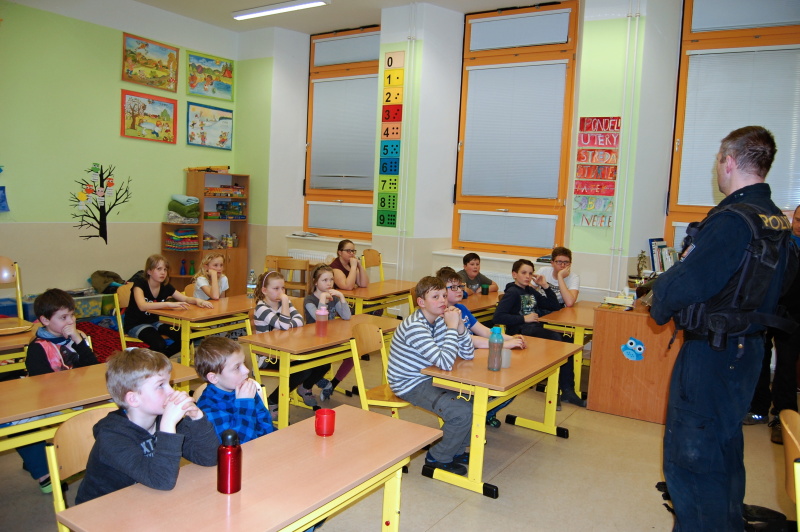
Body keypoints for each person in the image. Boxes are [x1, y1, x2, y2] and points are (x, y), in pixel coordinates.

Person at [649, 126, 796, 531]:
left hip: (712, 353)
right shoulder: (777, 221)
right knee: (726, 444)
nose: (717, 167)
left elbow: (683, 284)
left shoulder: (732, 221)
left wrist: (658, 298)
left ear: (729, 162)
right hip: (749, 349)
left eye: (718, 160)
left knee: (693, 455)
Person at [76, 348, 218, 504]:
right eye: (160, 385)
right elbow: (162, 481)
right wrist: (168, 426)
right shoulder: (112, 437)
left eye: (169, 384)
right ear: (133, 399)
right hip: (102, 509)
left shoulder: (161, 418)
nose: (171, 391)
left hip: (144, 499)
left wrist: (197, 418)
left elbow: (209, 458)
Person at [387, 276, 475, 476]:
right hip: (409, 383)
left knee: (471, 399)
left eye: (444, 295)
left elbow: (467, 354)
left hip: (430, 375)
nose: (442, 301)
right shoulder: (415, 326)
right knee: (460, 411)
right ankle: (438, 457)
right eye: (435, 297)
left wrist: (460, 328)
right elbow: (445, 362)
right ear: (421, 302)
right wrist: (452, 328)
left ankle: (456, 450)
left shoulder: (440, 320)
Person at [13, 289, 99, 493]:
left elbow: (94, 370)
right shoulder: (38, 347)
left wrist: (78, 341)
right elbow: (42, 384)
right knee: (19, 424)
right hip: (51, 401)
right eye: (63, 317)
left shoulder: (78, 338)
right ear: (44, 320)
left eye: (72, 315)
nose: (71, 322)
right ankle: (43, 472)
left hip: (80, 397)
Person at [437, 267, 526, 427]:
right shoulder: (442, 315)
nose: (459, 290)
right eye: (453, 287)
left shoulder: (462, 309)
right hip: (456, 363)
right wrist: (504, 344)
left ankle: (483, 413)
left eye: (460, 286)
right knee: (499, 383)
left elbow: (484, 331)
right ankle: (475, 415)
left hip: (472, 357)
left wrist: (510, 337)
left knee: (512, 383)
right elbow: (472, 340)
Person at [492, 259, 586, 407]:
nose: (527, 276)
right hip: (520, 331)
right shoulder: (512, 292)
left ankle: (567, 390)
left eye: (530, 273)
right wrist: (524, 318)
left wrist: (545, 286)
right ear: (514, 274)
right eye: (524, 273)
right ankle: (555, 391)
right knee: (555, 339)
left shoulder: (530, 291)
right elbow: (498, 317)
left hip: (533, 329)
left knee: (567, 341)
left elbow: (554, 306)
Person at [743, 204, 800, 444]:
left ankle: (782, 417)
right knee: (759, 358)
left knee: (786, 365)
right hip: (766, 310)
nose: (799, 225)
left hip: (793, 315)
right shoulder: (780, 242)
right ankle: (758, 408)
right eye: (798, 219)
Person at [253, 270, 329, 416]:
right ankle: (273, 400)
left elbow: (300, 321)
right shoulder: (261, 308)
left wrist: (285, 321)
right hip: (267, 356)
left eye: (283, 288)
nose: (281, 292)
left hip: (286, 349)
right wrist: (285, 305)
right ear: (264, 290)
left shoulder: (284, 304)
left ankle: (305, 388)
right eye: (276, 288)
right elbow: (284, 325)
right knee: (302, 370)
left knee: (322, 362)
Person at [124, 254, 213, 358]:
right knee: (159, 344)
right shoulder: (140, 284)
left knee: (186, 337)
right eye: (159, 269)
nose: (163, 272)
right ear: (149, 271)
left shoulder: (165, 286)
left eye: (165, 269)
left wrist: (198, 301)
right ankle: (150, 360)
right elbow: (142, 306)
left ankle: (162, 358)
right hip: (136, 324)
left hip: (156, 321)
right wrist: (168, 304)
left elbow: (185, 299)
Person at [194, 336, 273, 443]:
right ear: (214, 378)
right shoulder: (208, 409)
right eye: (237, 367)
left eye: (244, 363)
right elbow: (238, 444)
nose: (246, 370)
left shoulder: (243, 388)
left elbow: (266, 424)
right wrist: (245, 404)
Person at [303, 264, 351, 402]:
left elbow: (347, 316)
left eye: (331, 279)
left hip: (330, 338)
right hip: (313, 339)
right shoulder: (309, 300)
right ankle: (309, 385)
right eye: (324, 280)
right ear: (315, 282)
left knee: (352, 354)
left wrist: (341, 296)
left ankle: (331, 383)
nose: (329, 283)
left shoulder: (334, 298)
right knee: (323, 364)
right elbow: (320, 319)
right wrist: (323, 299)